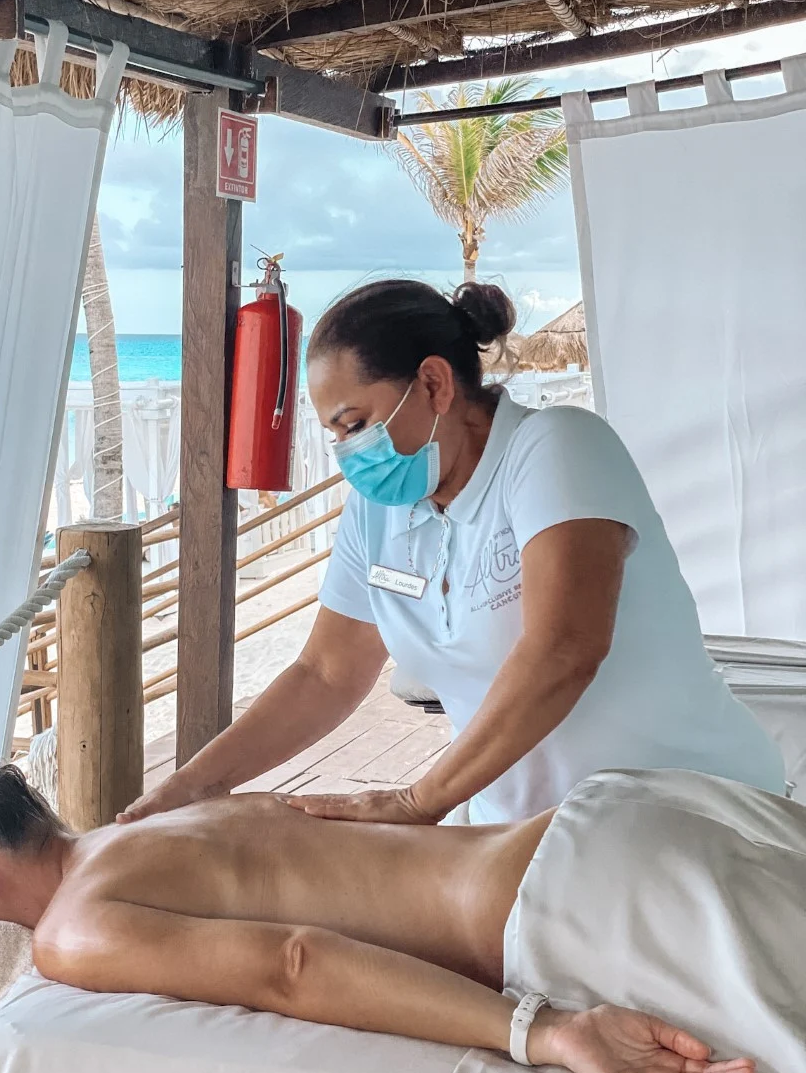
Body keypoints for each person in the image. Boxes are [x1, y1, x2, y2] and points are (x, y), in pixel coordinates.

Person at [120, 280, 783, 828]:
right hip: (519, 836)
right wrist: (188, 788)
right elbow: (326, 674)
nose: (349, 452)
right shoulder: (378, 509)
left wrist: (420, 801)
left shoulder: (555, 447)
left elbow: (565, 646)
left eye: (356, 423)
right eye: (334, 434)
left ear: (435, 385)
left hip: (689, 816)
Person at [0, 719, 755, 1073]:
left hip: (573, 905)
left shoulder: (73, 930)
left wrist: (546, 1031)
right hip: (605, 823)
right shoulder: (151, 830)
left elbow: (293, 964)